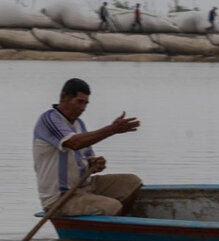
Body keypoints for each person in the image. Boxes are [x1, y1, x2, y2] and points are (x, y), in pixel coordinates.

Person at [32, 78, 143, 217]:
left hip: (85, 186)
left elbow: (87, 157)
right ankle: (113, 226)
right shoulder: (49, 120)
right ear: (63, 97)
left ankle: (121, 223)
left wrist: (95, 163)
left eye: (85, 103)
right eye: (79, 102)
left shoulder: (79, 124)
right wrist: (112, 129)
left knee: (132, 182)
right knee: (112, 206)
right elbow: (74, 143)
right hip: (61, 198)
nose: (83, 108)